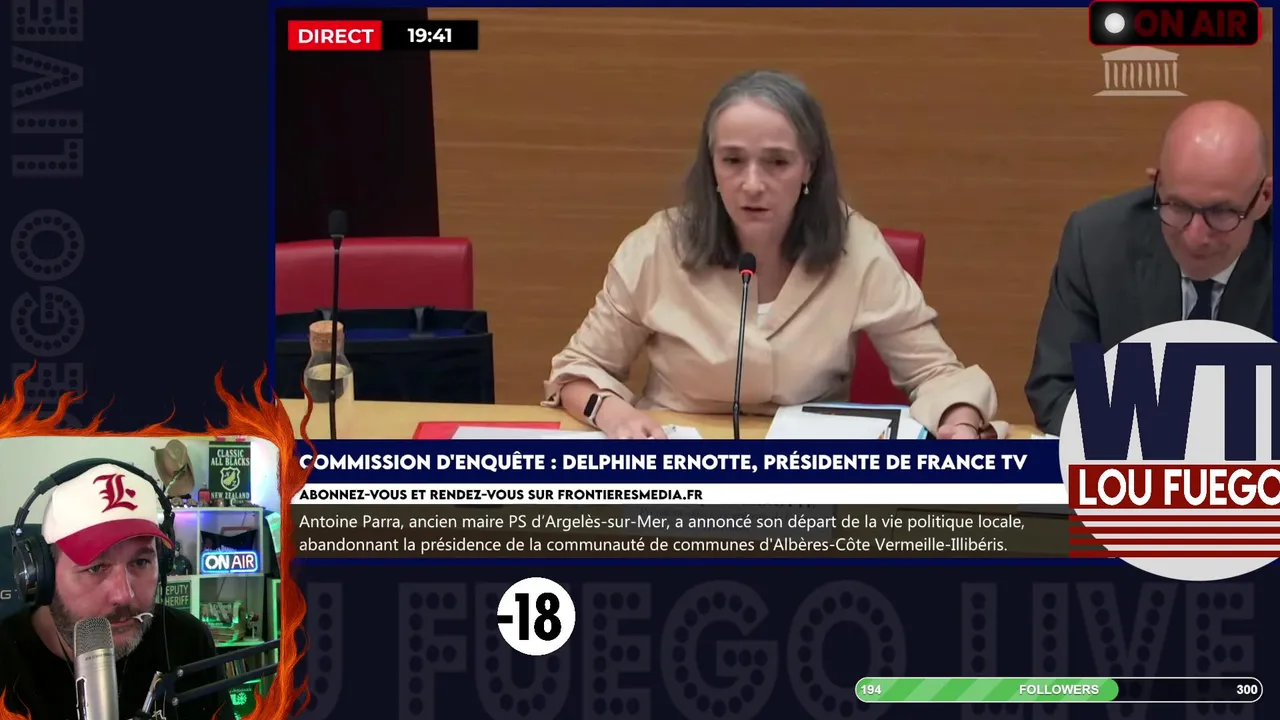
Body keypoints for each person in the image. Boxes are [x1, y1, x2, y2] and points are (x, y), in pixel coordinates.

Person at [543, 70, 998, 439]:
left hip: (805, 475)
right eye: (732, 160)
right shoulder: (657, 246)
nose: (752, 184)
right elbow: (579, 368)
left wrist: (959, 423)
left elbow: (936, 373)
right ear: (711, 166)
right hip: (679, 466)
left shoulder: (857, 248)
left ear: (809, 166)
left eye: (777, 162)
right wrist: (612, 412)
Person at [1026, 100, 1273, 435]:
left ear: (1264, 197)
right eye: (1178, 205)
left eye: (1221, 212)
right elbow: (1056, 389)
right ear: (1157, 184)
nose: (1195, 236)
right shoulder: (1097, 240)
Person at [0, 461, 236, 720]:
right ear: (41, 574)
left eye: (141, 562)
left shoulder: (189, 642)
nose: (124, 595)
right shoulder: (5, 662)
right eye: (96, 567)